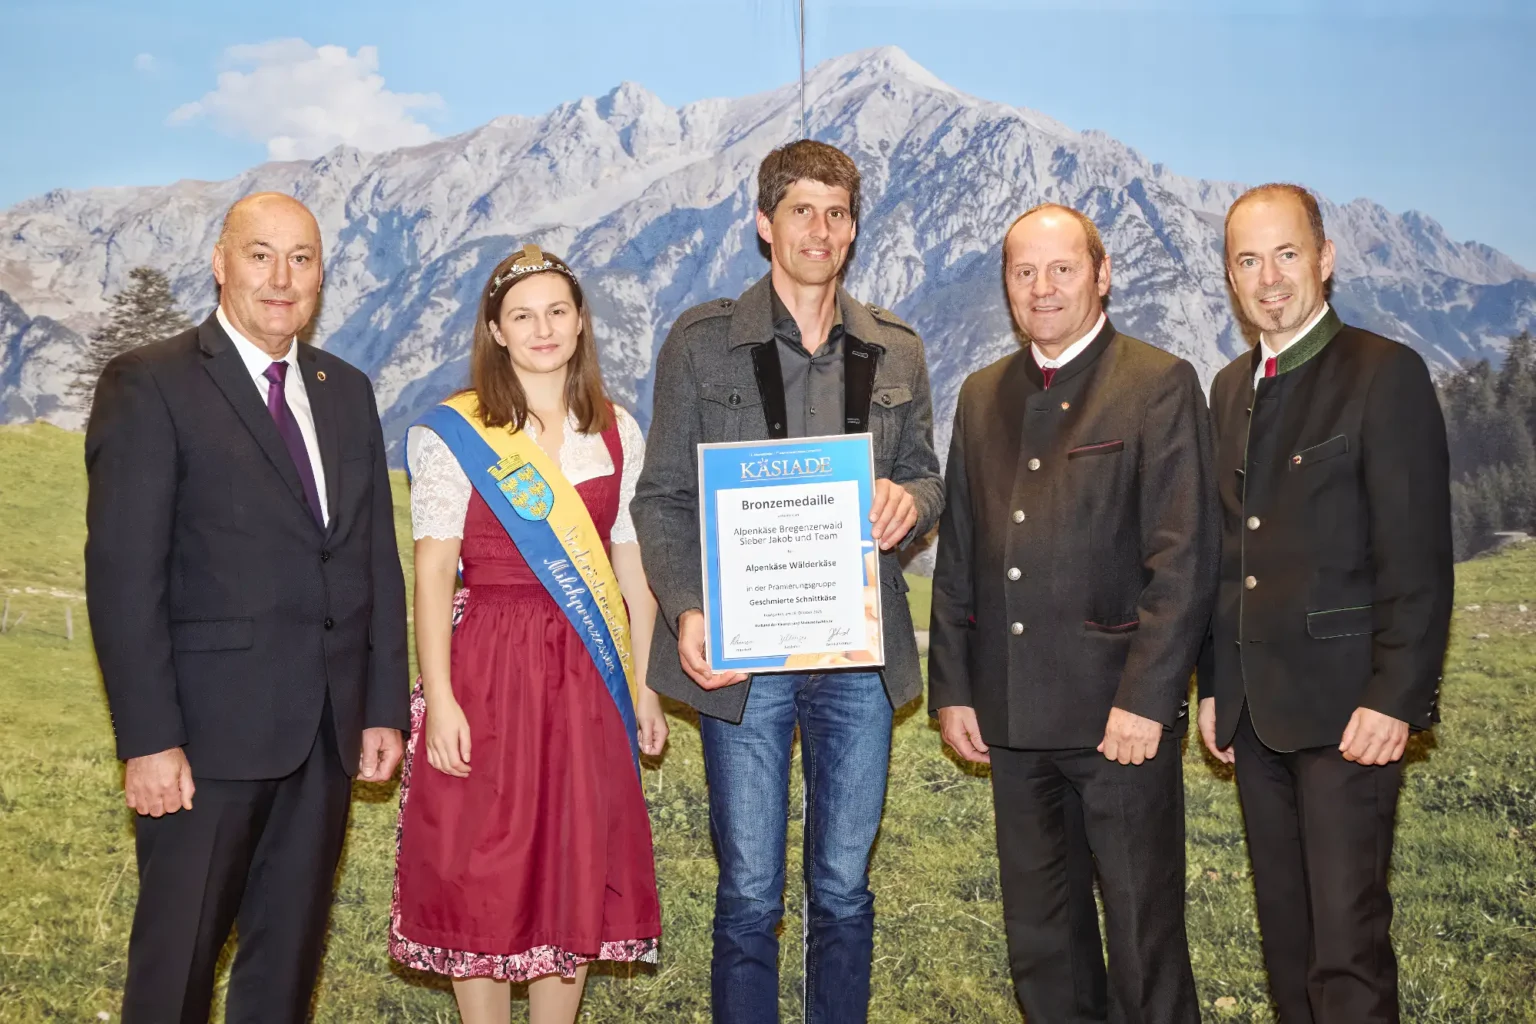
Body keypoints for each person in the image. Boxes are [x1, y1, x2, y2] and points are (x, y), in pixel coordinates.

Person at [631, 139, 943, 1024]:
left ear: (853, 231)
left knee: (844, 886)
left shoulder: (897, 351)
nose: (821, 229)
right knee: (750, 894)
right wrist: (688, 608)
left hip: (857, 655)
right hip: (744, 655)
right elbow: (661, 498)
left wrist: (906, 504)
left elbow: (929, 474)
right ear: (764, 224)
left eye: (838, 213)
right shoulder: (701, 343)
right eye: (802, 210)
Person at [84, 192, 409, 1023]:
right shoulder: (150, 382)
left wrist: (379, 708)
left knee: (284, 975)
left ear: (322, 276)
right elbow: (125, 575)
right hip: (204, 744)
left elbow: (372, 559)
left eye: (301, 258)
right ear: (220, 263)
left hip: (326, 741)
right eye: (260, 255)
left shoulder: (347, 389)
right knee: (174, 974)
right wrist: (150, 739)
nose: (281, 277)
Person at [929, 203, 1215, 1023]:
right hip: (1011, 716)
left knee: (1142, 938)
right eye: (1024, 272)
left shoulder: (1157, 383)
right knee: (1042, 944)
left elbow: (1184, 561)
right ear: (1008, 287)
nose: (1043, 287)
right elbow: (963, 560)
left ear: (1103, 273)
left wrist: (1146, 700)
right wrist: (954, 687)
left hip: (1116, 721)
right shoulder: (982, 395)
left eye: (1062, 269)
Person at [390, 244, 667, 1024]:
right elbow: (434, 572)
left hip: (587, 671)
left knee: (571, 859)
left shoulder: (616, 432)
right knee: (482, 862)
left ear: (580, 323)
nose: (542, 328)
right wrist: (439, 700)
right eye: (522, 315)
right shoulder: (457, 431)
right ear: (496, 330)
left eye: (556, 311)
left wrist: (643, 685)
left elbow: (630, 574)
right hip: (486, 666)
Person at [1197, 184, 1453, 1024]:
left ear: (1325, 260)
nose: (1269, 278)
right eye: (1248, 260)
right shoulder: (1230, 388)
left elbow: (1416, 558)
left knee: (1347, 954)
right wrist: (1213, 686)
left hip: (1352, 717)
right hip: (1255, 718)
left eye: (1286, 254)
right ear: (1231, 280)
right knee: (1288, 946)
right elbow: (1228, 555)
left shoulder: (1386, 373)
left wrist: (1396, 698)